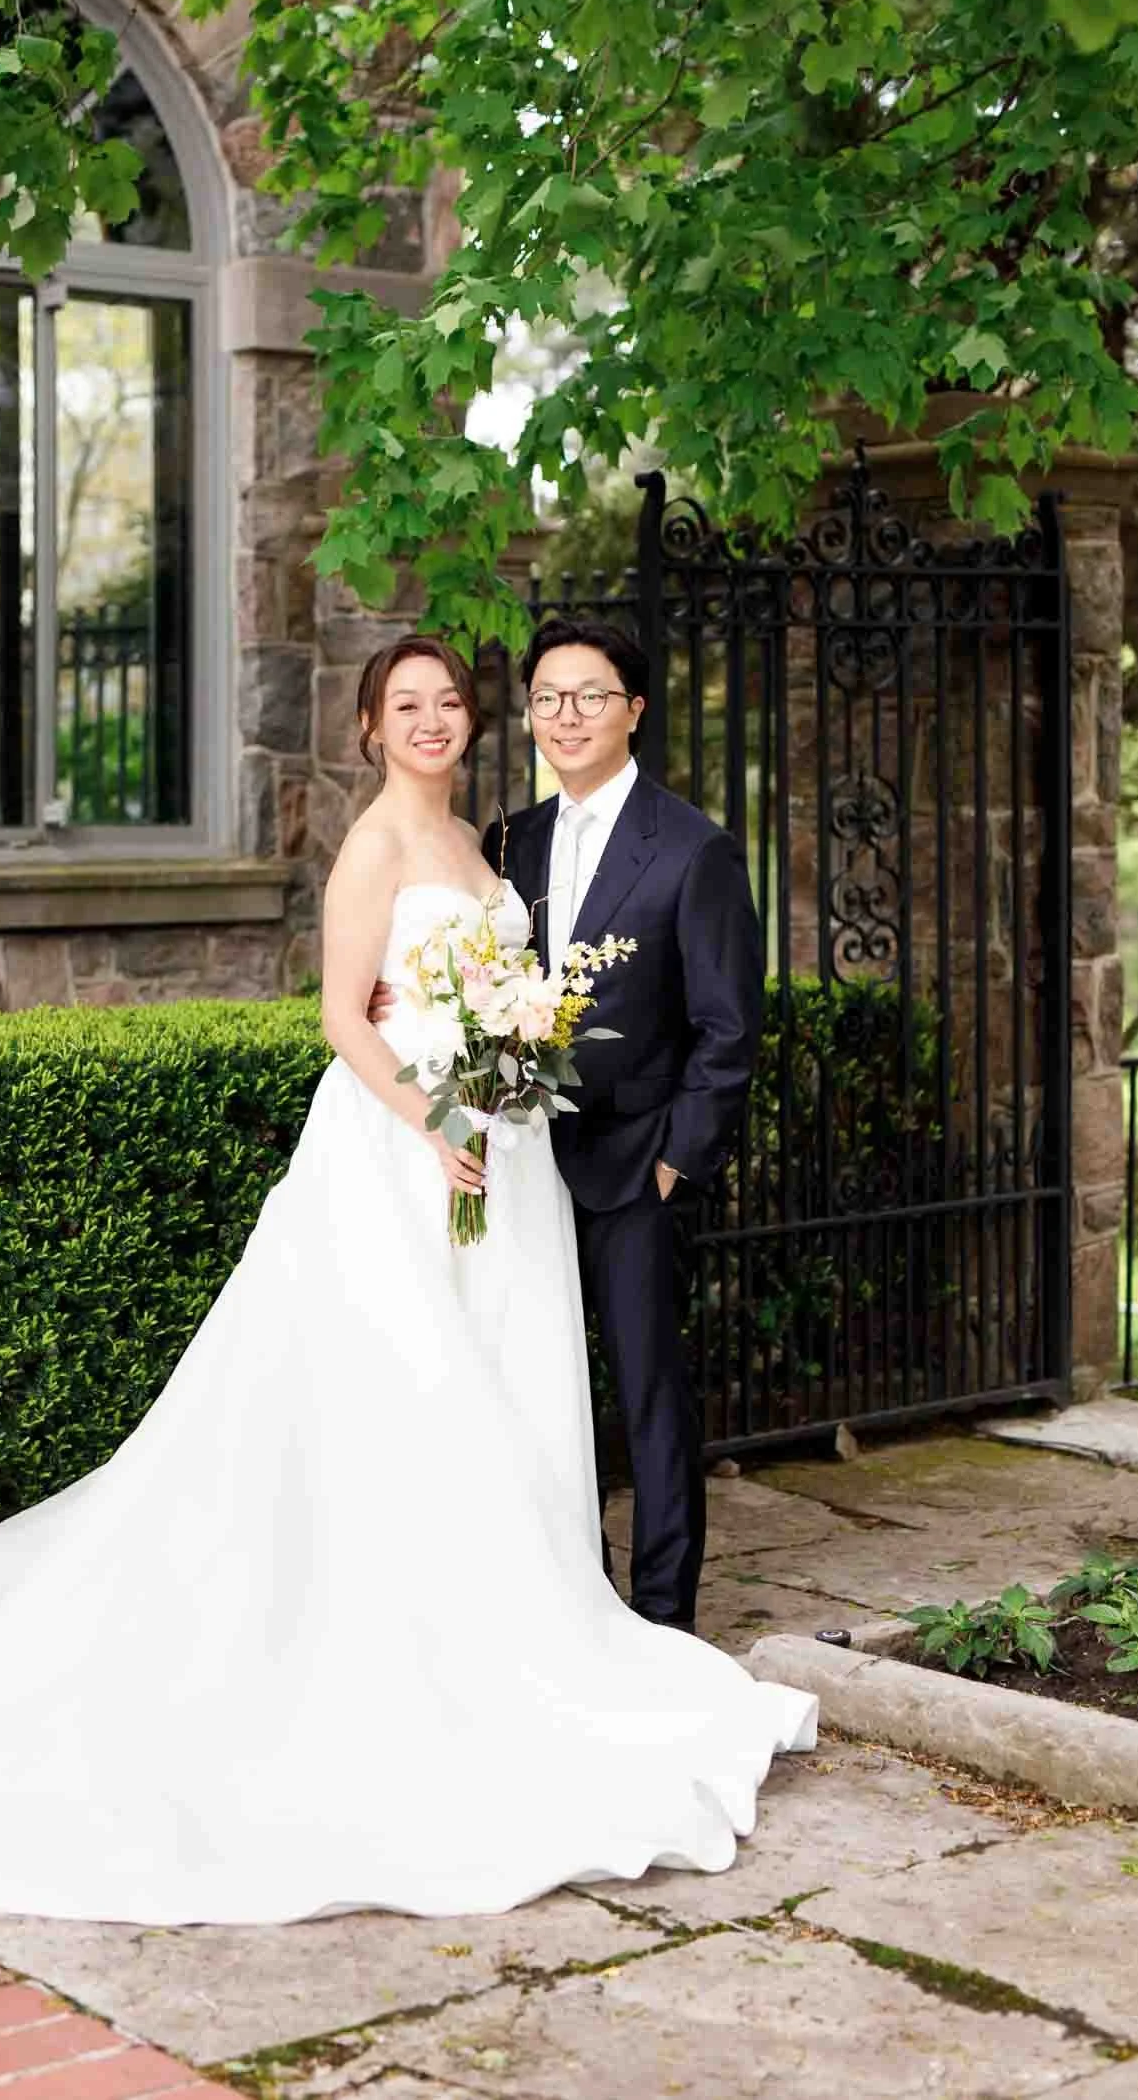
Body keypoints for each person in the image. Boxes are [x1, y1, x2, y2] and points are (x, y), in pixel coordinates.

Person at [0, 637, 812, 1929]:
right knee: (405, 1389)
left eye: (449, 704)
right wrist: (431, 1116)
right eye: (405, 706)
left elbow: (543, 998)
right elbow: (341, 1014)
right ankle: (407, 1649)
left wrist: (500, 1093)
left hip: (509, 1156)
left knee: (507, 1381)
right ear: (369, 727)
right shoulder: (373, 847)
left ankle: (537, 1627)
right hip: (403, 1151)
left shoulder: (496, 853)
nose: (433, 721)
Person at [491, 616, 763, 1633]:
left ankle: (660, 1617)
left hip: (635, 1167)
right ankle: (562, 1599)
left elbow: (728, 1029)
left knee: (649, 1397)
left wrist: (676, 1165)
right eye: (548, 696)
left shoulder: (693, 849)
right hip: (522, 1163)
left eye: (590, 694)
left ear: (634, 710)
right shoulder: (508, 838)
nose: (567, 714)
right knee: (533, 1387)